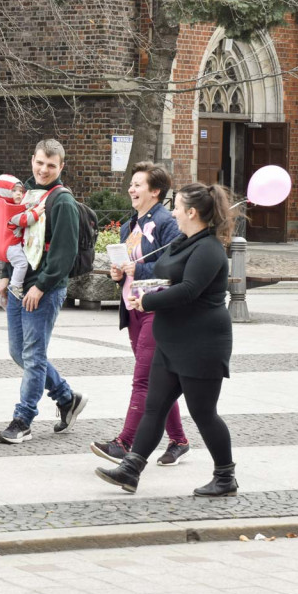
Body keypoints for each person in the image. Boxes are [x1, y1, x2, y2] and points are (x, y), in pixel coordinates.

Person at [95, 182, 238, 497]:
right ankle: (131, 469)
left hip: (201, 344)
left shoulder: (209, 249)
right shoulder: (183, 242)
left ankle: (225, 477)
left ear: (192, 212)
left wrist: (147, 301)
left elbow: (189, 290)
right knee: (154, 407)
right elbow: (163, 274)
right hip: (171, 340)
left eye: (178, 207)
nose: (173, 213)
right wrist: (136, 279)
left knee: (203, 413)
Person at [90, 162, 191, 466]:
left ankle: (124, 442)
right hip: (133, 308)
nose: (131, 189)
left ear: (155, 191)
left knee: (144, 379)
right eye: (131, 184)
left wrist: (139, 269)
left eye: (138, 184)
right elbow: (129, 267)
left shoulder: (166, 223)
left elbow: (174, 266)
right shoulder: (130, 225)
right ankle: (179, 440)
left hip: (156, 308)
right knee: (158, 379)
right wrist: (119, 274)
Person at [0, 139, 87, 444]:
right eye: (40, 163)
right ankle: (66, 398)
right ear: (32, 160)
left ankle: (23, 420)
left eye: (51, 165)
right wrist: (5, 275)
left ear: (61, 166)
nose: (44, 170)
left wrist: (41, 286)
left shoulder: (62, 202)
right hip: (19, 284)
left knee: (33, 356)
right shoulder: (26, 194)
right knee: (18, 352)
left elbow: (64, 253)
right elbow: (13, 238)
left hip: (43, 289)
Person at [0, 174, 38, 301]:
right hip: (9, 246)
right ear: (5, 192)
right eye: (14, 191)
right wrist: (37, 211)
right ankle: (16, 285)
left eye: (21, 191)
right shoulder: (11, 211)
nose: (19, 194)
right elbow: (25, 220)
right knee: (21, 264)